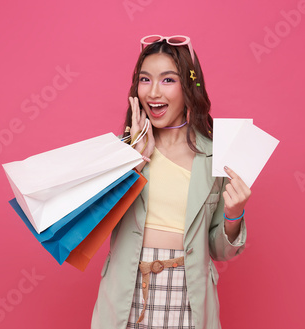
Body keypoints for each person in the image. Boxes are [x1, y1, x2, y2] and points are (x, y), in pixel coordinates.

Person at [91, 35, 251, 329]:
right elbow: (94, 227)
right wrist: (134, 162)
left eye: (167, 80)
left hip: (188, 294)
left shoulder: (216, 156)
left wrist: (234, 215)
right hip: (127, 292)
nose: (153, 92)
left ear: (189, 86)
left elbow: (219, 250)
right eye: (145, 79)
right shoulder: (121, 151)